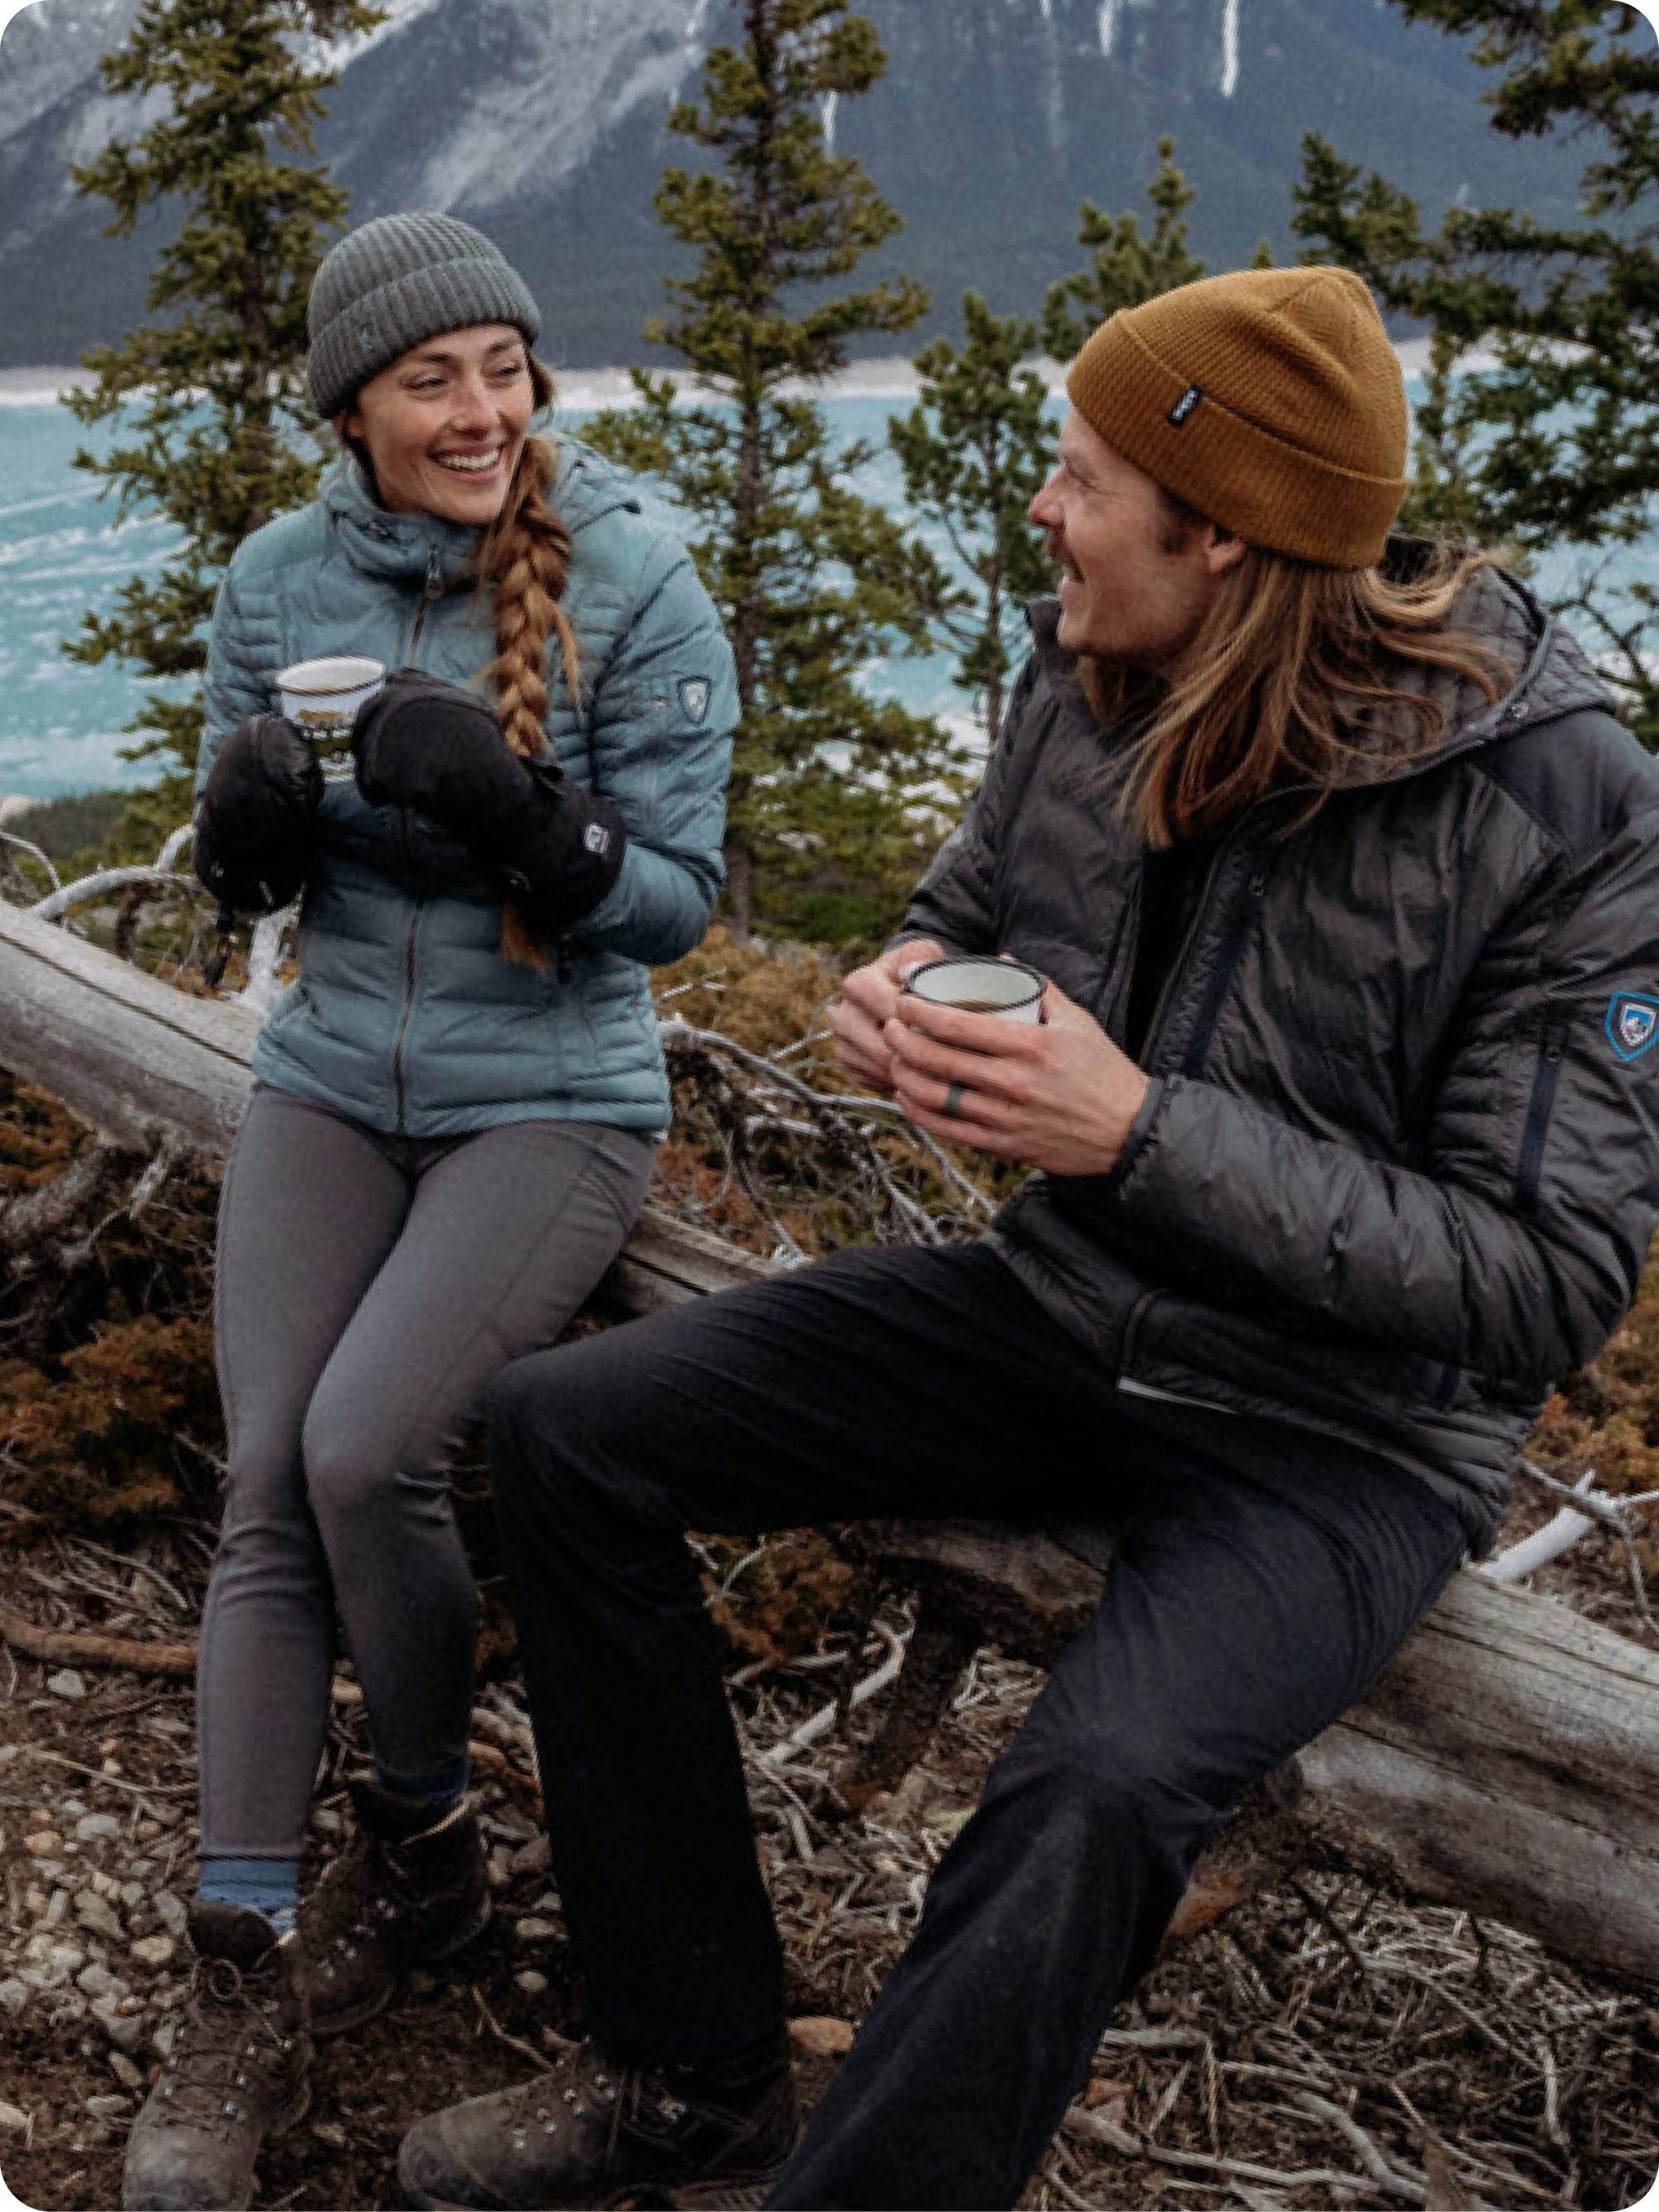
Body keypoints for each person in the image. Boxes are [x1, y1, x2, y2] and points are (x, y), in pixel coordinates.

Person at [396, 266, 1659, 2212]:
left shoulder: (1565, 805)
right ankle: (691, 2067)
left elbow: (1542, 1283)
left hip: (1334, 1440)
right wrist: (897, 979)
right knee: (573, 1432)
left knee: (1085, 1787)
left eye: (1078, 480)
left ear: (1219, 532)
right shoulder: (1086, 668)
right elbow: (967, 892)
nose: (1044, 515)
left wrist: (1138, 1129)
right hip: (1059, 1308)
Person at [119, 211, 735, 2212]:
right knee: (266, 1484)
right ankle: (247, 1948)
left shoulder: (634, 579)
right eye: (429, 378)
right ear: (354, 407)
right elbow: (251, 894)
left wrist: (514, 803)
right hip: (321, 1079)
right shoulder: (273, 577)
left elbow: (674, 903)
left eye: (504, 366)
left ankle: (427, 1816)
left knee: (369, 1445)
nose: (481, 410)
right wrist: (247, 831)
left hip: (549, 1092)